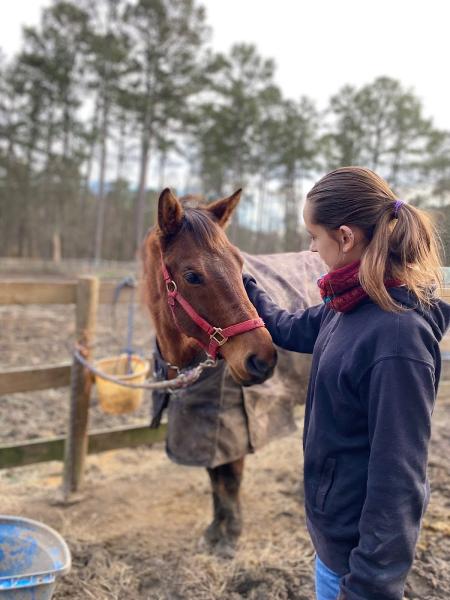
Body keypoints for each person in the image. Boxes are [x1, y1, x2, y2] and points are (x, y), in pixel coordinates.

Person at [243, 166, 450, 600]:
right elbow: (292, 327)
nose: (311, 248)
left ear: (345, 237)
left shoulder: (397, 339)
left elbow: (399, 479)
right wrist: (244, 287)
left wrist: (368, 586)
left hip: (358, 568)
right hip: (335, 538)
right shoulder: (351, 303)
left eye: (313, 236)